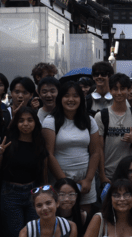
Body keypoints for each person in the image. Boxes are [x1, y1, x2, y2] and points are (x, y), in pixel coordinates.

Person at [0, 106, 48, 237]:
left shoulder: (39, 142)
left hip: (33, 193)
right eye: (21, 120)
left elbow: (43, 172)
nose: (25, 124)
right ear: (16, 123)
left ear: (35, 123)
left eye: (29, 120)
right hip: (10, 193)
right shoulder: (8, 141)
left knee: (33, 236)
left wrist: (44, 193)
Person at [44, 81, 102, 209]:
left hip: (86, 180)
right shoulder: (50, 121)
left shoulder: (89, 120)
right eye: (66, 95)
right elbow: (49, 154)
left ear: (81, 99)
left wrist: (88, 179)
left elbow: (95, 152)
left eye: (75, 96)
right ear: (60, 99)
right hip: (60, 179)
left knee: (85, 218)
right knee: (62, 218)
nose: (71, 99)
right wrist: (66, 184)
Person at [95, 73, 132, 186]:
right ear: (110, 91)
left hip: (130, 174)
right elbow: (99, 148)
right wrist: (102, 175)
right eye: (115, 89)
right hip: (109, 175)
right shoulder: (101, 116)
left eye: (123, 89)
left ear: (128, 90)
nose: (119, 93)